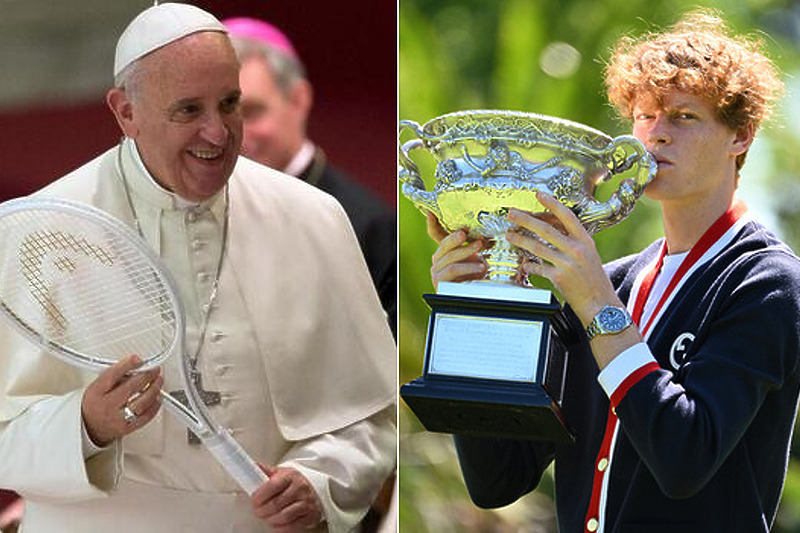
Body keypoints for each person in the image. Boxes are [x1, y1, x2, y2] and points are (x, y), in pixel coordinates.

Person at [0, 4, 396, 532]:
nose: (219, 133)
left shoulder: (313, 218)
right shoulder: (39, 232)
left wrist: (321, 482)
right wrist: (84, 426)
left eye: (229, 104)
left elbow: (371, 414)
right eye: (188, 110)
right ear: (125, 112)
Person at [428, 12, 800, 532]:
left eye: (684, 117)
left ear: (740, 136)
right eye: (645, 116)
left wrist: (599, 309)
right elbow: (500, 480)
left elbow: (684, 458)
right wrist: (475, 308)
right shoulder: (614, 279)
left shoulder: (768, 281)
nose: (657, 135)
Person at [222, 17, 397, 338]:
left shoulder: (368, 225)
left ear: (298, 99)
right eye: (224, 114)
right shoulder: (199, 211)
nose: (237, 135)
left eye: (252, 111)